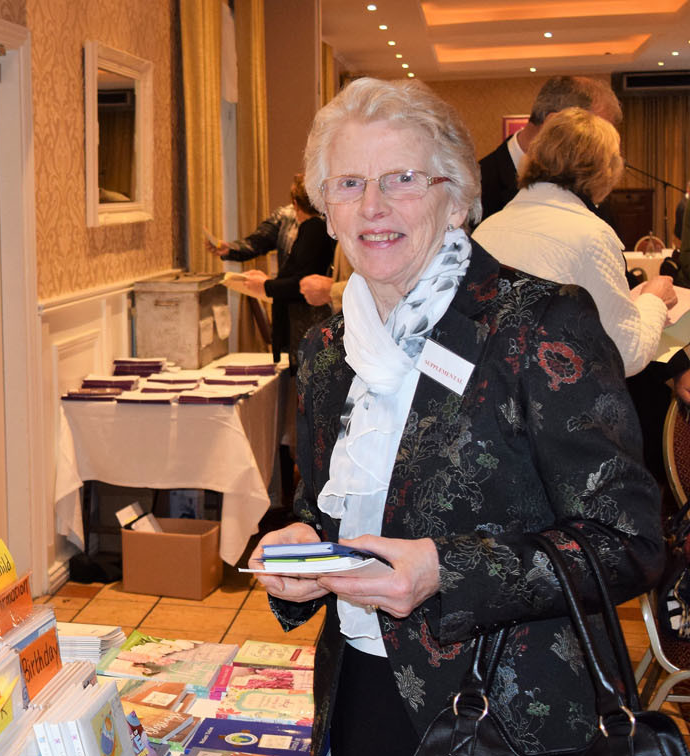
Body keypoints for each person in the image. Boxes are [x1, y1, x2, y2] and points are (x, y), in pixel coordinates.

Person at [253, 77, 663, 755]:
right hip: (357, 687)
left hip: (507, 712)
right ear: (326, 209)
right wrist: (302, 547)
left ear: (456, 199)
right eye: (348, 183)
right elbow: (328, 513)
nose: (374, 206)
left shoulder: (534, 326)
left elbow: (630, 542)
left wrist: (447, 570)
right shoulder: (327, 351)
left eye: (402, 178)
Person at [474, 107, 675, 377]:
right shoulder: (590, 236)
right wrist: (655, 299)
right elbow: (627, 354)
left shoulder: (487, 229)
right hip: (553, 405)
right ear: (605, 170)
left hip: (492, 398)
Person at [477, 75, 622, 222]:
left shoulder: (590, 186)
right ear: (551, 123)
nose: (600, 150)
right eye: (593, 134)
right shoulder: (476, 186)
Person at [227, 173, 336, 364]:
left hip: (307, 329)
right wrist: (267, 282)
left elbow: (301, 283)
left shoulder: (313, 229)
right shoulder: (321, 228)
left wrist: (266, 286)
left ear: (295, 203)